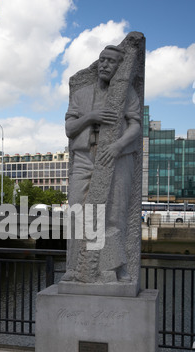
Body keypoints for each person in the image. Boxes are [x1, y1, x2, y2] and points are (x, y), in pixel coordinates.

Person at [63, 45, 141, 283]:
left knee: (114, 215)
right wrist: (91, 117)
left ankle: (116, 267)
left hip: (115, 157)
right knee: (78, 213)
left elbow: (136, 126)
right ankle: (75, 268)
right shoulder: (82, 94)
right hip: (85, 158)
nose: (106, 65)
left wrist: (117, 146)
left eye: (111, 62)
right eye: (103, 60)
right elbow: (69, 129)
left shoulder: (127, 94)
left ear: (119, 68)